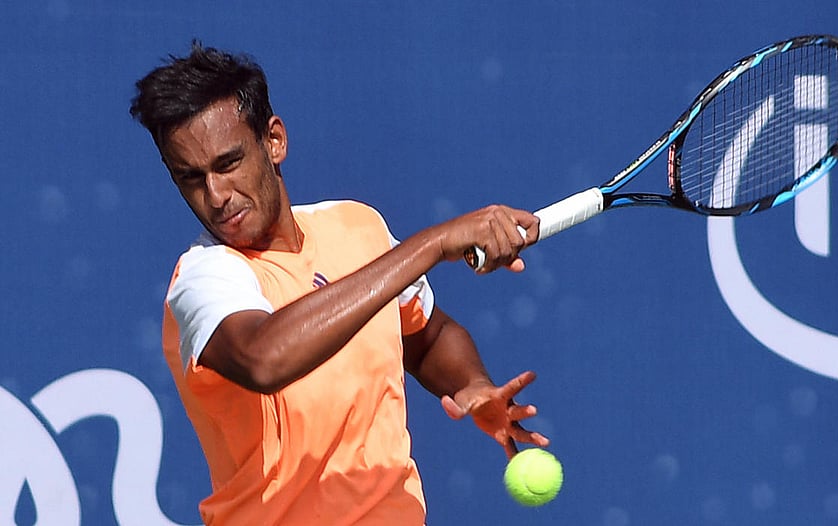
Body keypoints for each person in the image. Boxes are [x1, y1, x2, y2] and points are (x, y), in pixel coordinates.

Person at [130, 42, 550, 526]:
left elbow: (426, 337)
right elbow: (265, 359)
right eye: (191, 178)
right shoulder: (204, 278)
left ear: (274, 140)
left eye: (228, 164)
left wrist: (474, 386)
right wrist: (431, 244)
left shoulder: (357, 227)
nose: (217, 196)